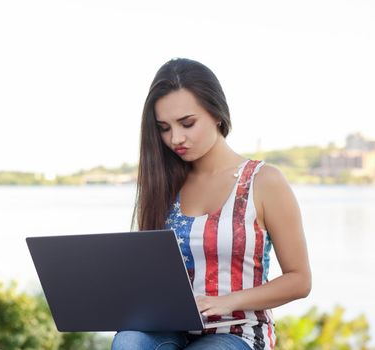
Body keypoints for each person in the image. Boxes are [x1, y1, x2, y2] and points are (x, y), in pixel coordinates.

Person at [111, 58, 311, 350]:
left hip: (236, 333)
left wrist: (224, 302)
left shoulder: (263, 181)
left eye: (187, 123)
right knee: (129, 341)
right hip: (170, 329)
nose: (175, 138)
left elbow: (299, 280)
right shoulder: (163, 186)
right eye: (164, 128)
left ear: (217, 114)